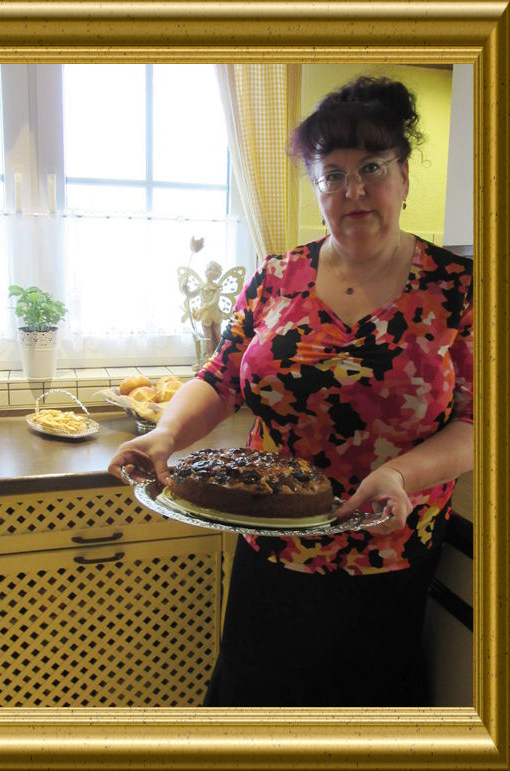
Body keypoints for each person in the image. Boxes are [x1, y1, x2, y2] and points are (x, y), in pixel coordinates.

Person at [108, 76, 473, 707]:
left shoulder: (458, 289)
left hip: (385, 552)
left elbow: (478, 421)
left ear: (405, 177)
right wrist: (165, 433)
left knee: (365, 718)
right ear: (315, 187)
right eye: (332, 174)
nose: (354, 191)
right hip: (267, 542)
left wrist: (402, 476)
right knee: (252, 710)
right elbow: (220, 380)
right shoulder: (277, 277)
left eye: (373, 168)